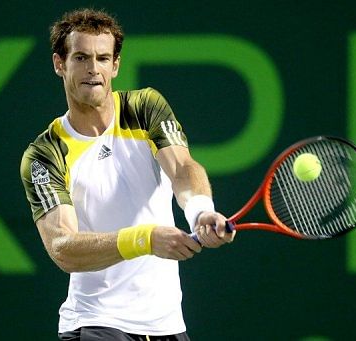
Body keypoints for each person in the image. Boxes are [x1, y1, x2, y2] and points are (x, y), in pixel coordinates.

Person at [20, 8, 235, 341]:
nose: (93, 69)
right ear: (59, 64)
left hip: (168, 327)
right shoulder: (45, 154)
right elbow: (63, 247)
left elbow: (182, 167)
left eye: (103, 58)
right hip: (96, 324)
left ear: (115, 66)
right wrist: (145, 239)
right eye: (81, 58)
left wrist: (200, 211)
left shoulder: (144, 107)